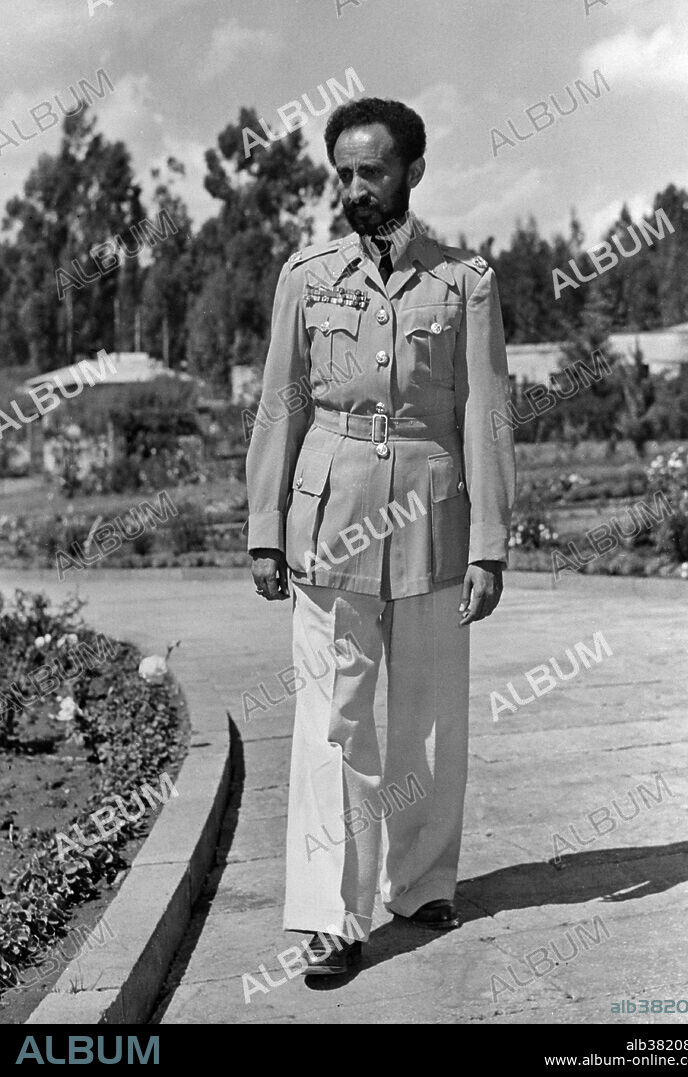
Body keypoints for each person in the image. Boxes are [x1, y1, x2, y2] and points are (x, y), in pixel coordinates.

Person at [246, 97, 516, 976]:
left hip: (435, 518)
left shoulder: (463, 282)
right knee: (334, 721)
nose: (357, 188)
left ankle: (423, 879)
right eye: (345, 173)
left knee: (430, 717)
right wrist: (262, 527)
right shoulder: (307, 277)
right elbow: (277, 405)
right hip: (329, 516)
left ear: (413, 172)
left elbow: (487, 415)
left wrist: (490, 541)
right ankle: (331, 915)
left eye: (374, 171)